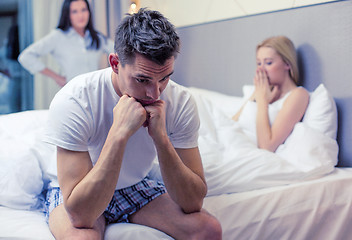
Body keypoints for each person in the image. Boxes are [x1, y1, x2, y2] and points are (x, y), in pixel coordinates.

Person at [43, 8, 222, 240]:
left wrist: (161, 139)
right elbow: (81, 216)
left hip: (133, 186)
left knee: (208, 229)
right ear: (115, 63)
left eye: (165, 77)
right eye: (142, 79)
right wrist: (119, 133)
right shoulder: (75, 99)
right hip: (78, 189)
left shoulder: (181, 101)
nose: (155, 93)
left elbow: (193, 202)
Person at [232, 36, 309, 152]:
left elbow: (267, 146)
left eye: (268, 62)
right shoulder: (262, 91)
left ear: (287, 64)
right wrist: (256, 94)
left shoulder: (298, 95)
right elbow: (232, 123)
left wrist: (262, 101)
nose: (260, 70)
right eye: (258, 63)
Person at [18, 0, 114, 87]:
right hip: (73, 93)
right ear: (67, 15)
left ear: (89, 12)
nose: (81, 15)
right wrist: (57, 77)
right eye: (74, 11)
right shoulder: (57, 37)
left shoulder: (97, 37)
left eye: (83, 10)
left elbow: (120, 51)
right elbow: (25, 57)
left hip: (96, 92)